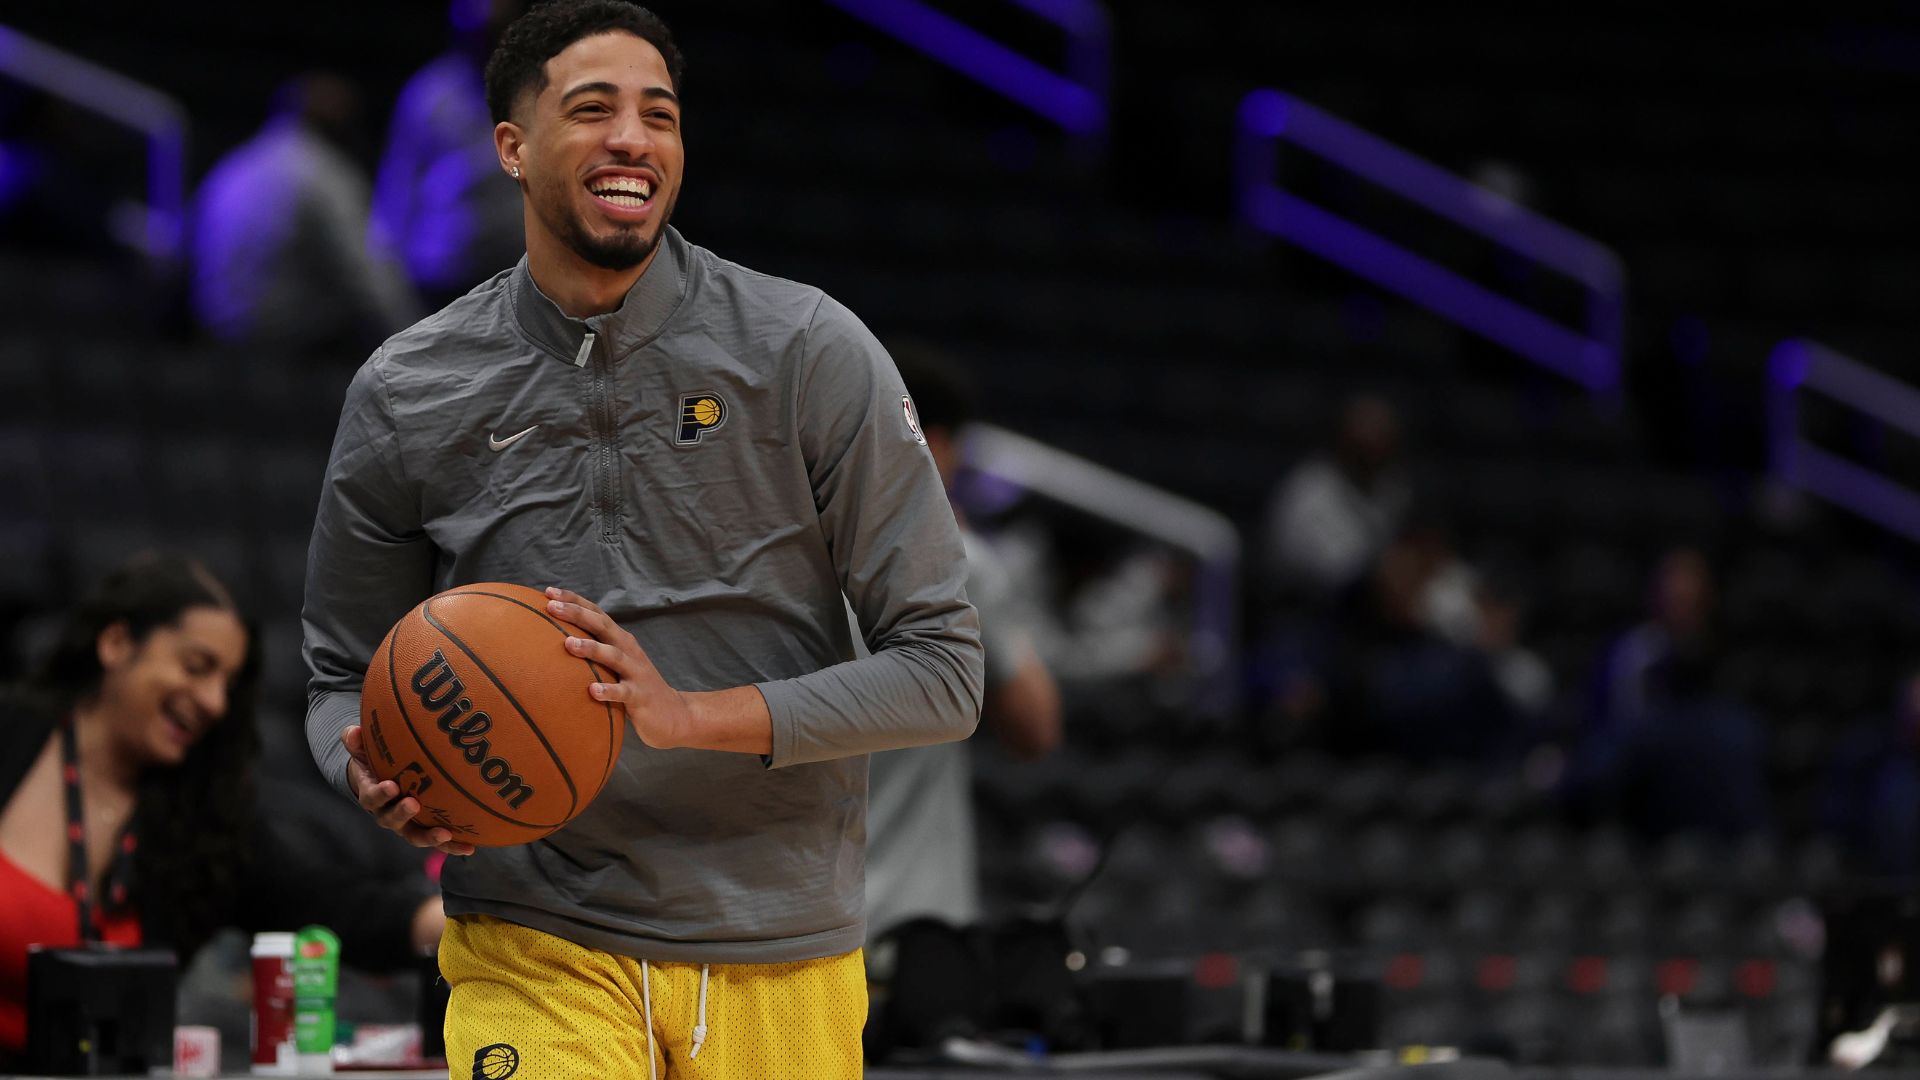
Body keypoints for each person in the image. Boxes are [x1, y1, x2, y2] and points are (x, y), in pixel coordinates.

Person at [301, 5, 984, 1078]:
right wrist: (373, 773)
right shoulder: (408, 389)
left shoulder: (809, 349)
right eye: (593, 109)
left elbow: (945, 673)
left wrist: (682, 715)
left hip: (780, 945)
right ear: (512, 148)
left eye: (659, 115)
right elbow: (340, 673)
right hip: (534, 936)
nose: (635, 137)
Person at [0, 554, 441, 1066]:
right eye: (196, 666)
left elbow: (328, 902)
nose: (213, 701)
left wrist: (449, 920)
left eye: (227, 685)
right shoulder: (11, 731)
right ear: (116, 643)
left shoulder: (203, 817)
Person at [865, 343, 1061, 939]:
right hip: (906, 924)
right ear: (940, 445)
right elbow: (1036, 730)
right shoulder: (959, 561)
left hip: (792, 929)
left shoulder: (780, 556)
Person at [191, 73, 419, 354]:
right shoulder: (325, 173)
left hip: (216, 336)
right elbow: (372, 278)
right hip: (290, 345)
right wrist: (417, 344)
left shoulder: (233, 166)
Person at [372, 0, 529, 306]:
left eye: (495, 32)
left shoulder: (537, 87)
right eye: (478, 34)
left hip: (519, 265)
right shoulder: (430, 93)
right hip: (447, 268)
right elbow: (398, 185)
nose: (486, 43)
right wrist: (387, 270)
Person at [1263, 395, 1411, 603]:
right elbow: (1333, 572)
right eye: (1363, 442)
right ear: (1344, 439)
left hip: (1368, 610)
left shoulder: (1394, 488)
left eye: (1381, 439)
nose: (1371, 449)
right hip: (1305, 609)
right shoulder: (1308, 489)